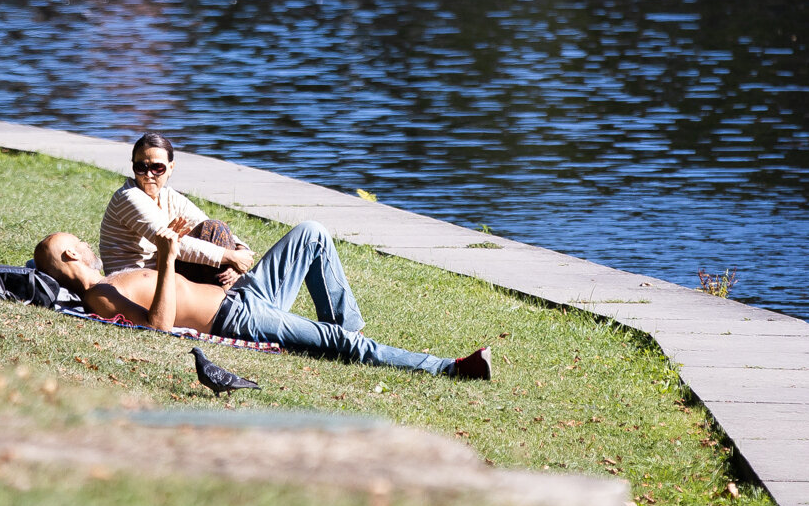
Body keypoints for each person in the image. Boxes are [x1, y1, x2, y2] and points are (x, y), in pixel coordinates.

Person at [35, 220, 492, 380]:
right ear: (72, 253)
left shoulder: (108, 281)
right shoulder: (97, 295)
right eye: (76, 240)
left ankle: (343, 337)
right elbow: (158, 328)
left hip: (239, 298)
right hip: (236, 320)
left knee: (311, 235)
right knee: (340, 344)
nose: (85, 241)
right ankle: (450, 368)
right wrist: (169, 260)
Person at [100, 133, 255, 284]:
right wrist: (231, 257)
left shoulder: (168, 196)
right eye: (140, 167)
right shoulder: (129, 197)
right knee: (214, 235)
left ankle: (228, 295)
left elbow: (205, 224)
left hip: (160, 273)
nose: (148, 175)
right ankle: (231, 299)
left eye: (157, 168)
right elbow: (172, 244)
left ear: (171, 167)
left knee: (214, 227)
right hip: (135, 284)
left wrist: (241, 250)